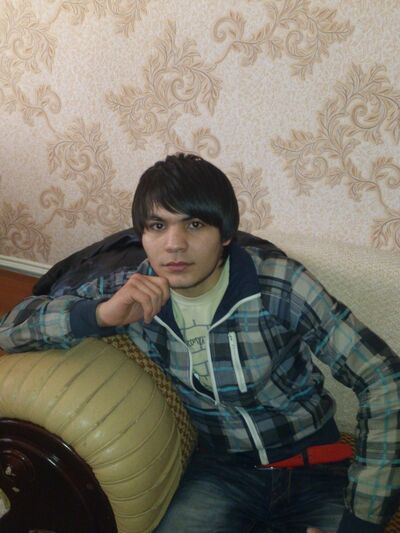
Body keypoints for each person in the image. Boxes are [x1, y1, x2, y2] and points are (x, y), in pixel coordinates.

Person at [0, 153, 399, 533]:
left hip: (315, 463)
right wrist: (101, 315)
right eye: (157, 226)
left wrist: (361, 523)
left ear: (226, 234)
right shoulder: (134, 290)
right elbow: (12, 328)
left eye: (193, 224)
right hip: (221, 471)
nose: (174, 244)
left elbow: (382, 378)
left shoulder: (277, 284)